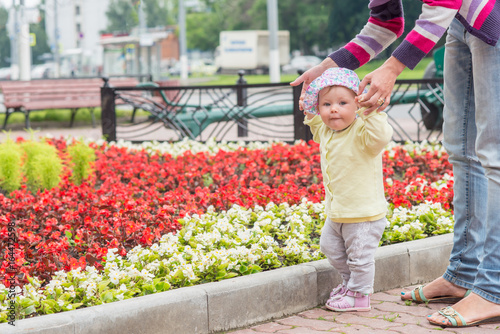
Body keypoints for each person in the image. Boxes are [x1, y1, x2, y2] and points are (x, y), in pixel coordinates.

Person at [291, 0, 500, 328]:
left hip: (491, 22)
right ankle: (463, 274)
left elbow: (441, 5)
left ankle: (493, 289)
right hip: (458, 27)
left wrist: (391, 69)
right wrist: (327, 68)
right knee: (463, 151)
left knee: (494, 155)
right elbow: (385, 24)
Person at [303, 67, 393, 312]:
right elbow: (313, 122)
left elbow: (381, 135)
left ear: (357, 105)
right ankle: (350, 285)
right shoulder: (327, 131)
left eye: (342, 103)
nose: (334, 109)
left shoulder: (363, 133)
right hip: (338, 212)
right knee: (328, 247)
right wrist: (309, 105)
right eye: (326, 104)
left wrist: (371, 112)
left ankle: (360, 296)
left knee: (360, 258)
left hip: (364, 214)